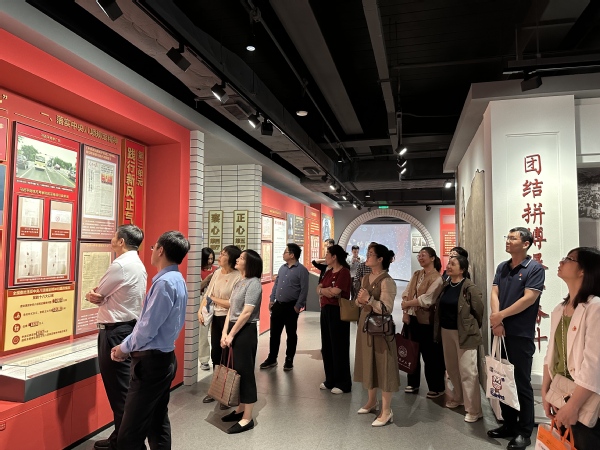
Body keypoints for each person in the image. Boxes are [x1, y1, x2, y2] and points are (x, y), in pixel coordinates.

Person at [110, 230, 190, 449]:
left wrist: (124, 348)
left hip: (151, 363)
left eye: (154, 247)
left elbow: (147, 328)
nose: (152, 251)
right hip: (164, 358)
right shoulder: (177, 279)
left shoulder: (164, 283)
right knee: (157, 421)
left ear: (161, 250)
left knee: (129, 433)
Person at [85, 225, 147, 450]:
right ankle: (120, 438)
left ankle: (126, 444)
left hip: (115, 332)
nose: (111, 239)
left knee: (120, 391)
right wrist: (100, 296)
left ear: (121, 241)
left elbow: (97, 294)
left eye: (114, 236)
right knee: (124, 389)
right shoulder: (138, 264)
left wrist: (94, 295)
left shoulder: (120, 265)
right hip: (127, 329)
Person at [487, 227, 544, 450]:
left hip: (520, 333)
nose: (508, 241)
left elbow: (529, 298)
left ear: (526, 244)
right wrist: (497, 321)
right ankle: (509, 424)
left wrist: (500, 316)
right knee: (502, 378)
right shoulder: (503, 267)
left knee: (521, 382)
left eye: (513, 238)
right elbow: (495, 292)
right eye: (507, 237)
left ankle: (524, 432)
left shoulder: (534, 268)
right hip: (500, 330)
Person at [541, 247, 600, 450]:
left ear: (583, 270)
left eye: (569, 258)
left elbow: (593, 363)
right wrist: (545, 391)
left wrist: (573, 405)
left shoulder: (595, 307)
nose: (562, 261)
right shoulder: (559, 309)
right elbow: (551, 354)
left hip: (583, 399)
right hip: (560, 392)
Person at [433, 254, 484, 423]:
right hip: (446, 331)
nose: (449, 266)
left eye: (453, 264)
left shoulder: (469, 287)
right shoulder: (446, 285)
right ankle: (458, 397)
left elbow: (479, 310)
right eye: (449, 263)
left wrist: (471, 327)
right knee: (452, 368)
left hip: (464, 333)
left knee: (468, 371)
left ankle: (474, 409)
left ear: (462, 269)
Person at [354, 244, 399, 427]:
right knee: (368, 363)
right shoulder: (365, 278)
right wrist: (360, 301)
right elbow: (358, 302)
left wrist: (369, 300)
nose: (367, 256)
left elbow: (387, 308)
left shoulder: (387, 281)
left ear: (380, 259)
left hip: (380, 329)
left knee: (384, 366)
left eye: (371, 254)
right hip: (365, 326)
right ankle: (372, 401)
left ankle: (386, 410)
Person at [220, 249, 263, 434]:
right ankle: (240, 409)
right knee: (236, 370)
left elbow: (246, 312)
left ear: (250, 263)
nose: (237, 259)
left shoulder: (254, 284)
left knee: (245, 373)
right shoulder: (240, 282)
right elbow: (231, 309)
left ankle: (247, 418)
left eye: (242, 258)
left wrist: (231, 334)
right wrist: (225, 333)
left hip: (245, 331)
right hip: (233, 328)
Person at [198, 245, 242, 408]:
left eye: (223, 254)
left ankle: (228, 393)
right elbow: (208, 293)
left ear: (231, 258)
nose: (219, 256)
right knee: (216, 354)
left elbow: (232, 303)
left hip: (229, 320)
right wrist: (200, 310)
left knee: (228, 355)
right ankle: (216, 390)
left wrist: (214, 299)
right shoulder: (217, 273)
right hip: (215, 318)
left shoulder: (238, 276)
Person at [401, 247, 445, 398]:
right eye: (419, 255)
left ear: (432, 258)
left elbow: (427, 299)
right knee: (412, 352)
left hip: (427, 321)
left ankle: (436, 387)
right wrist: (406, 312)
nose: (420, 257)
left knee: (430, 355)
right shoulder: (416, 274)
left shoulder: (437, 278)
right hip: (412, 319)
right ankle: (412, 383)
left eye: (423, 255)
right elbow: (406, 293)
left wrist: (407, 304)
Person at [261, 243, 309, 371]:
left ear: (292, 255)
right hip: (278, 305)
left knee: (291, 334)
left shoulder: (302, 270)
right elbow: (276, 285)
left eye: (285, 252)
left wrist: (298, 306)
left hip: (291, 307)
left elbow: (304, 290)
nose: (283, 254)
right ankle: (272, 358)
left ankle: (289, 359)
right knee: (274, 334)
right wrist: (272, 299)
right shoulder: (282, 268)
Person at [317, 244, 353, 394]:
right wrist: (325, 291)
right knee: (327, 346)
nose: (325, 257)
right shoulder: (328, 271)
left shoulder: (344, 272)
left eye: (327, 254)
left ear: (334, 257)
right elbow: (319, 288)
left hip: (338, 311)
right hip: (326, 310)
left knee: (339, 346)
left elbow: (336, 292)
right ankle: (330, 379)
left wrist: (323, 291)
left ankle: (343, 382)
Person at [198, 247, 216, 371]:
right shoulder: (198, 270)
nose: (210, 261)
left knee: (216, 332)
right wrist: (207, 279)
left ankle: (217, 359)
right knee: (203, 333)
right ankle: (204, 360)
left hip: (216, 302)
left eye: (211, 258)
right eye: (208, 259)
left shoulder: (217, 270)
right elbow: (197, 287)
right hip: (203, 301)